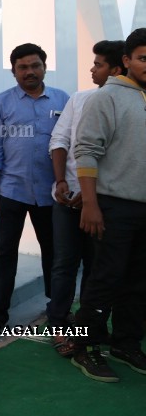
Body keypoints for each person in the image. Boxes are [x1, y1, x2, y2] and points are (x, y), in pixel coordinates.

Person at [70, 28, 146, 382]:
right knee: (105, 279)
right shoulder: (106, 99)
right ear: (127, 61)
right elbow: (86, 151)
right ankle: (86, 348)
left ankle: (126, 343)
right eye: (143, 58)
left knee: (137, 281)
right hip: (112, 206)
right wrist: (90, 204)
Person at [0, 43, 69, 337]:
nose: (29, 72)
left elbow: (69, 145)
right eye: (23, 67)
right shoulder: (2, 103)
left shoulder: (62, 100)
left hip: (51, 193)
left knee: (54, 253)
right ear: (14, 71)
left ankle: (57, 310)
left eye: (35, 65)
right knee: (5, 252)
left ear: (44, 66)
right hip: (12, 191)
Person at [45, 40, 126, 356]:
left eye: (99, 64)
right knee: (64, 264)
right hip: (66, 201)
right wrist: (61, 182)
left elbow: (118, 160)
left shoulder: (129, 105)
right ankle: (58, 325)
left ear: (117, 69)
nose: (92, 69)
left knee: (98, 268)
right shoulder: (80, 99)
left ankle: (90, 328)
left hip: (103, 202)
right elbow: (59, 139)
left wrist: (91, 195)